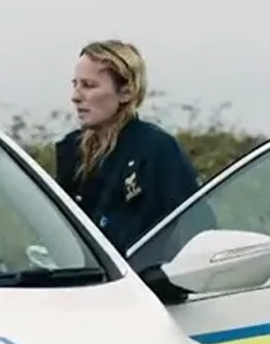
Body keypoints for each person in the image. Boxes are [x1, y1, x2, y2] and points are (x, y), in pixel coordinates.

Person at [52, 40, 204, 255]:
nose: (76, 96)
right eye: (75, 84)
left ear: (126, 92)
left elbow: (196, 230)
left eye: (88, 85)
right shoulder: (71, 150)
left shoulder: (156, 150)